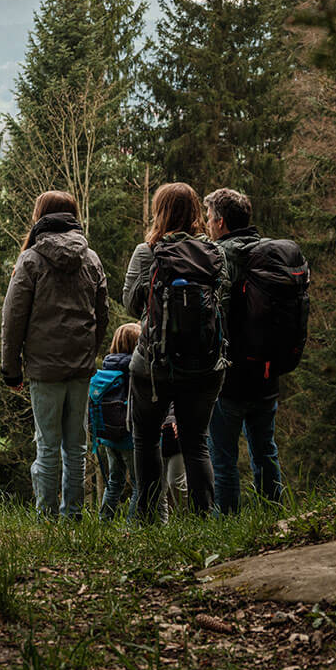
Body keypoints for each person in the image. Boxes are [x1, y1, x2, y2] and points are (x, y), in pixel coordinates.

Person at [2, 189, 112, 519]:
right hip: (80, 367)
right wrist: (89, 352)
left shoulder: (31, 260)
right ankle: (73, 515)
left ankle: (46, 517)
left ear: (40, 216)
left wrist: (11, 369)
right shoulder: (90, 259)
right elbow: (102, 314)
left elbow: (13, 318)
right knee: (76, 448)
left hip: (44, 369)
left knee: (47, 445)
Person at [121, 182, 228, 520]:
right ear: (197, 212)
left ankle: (149, 520)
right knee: (196, 443)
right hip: (204, 364)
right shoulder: (215, 253)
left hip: (154, 363)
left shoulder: (147, 251)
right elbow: (221, 303)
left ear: (159, 211)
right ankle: (203, 520)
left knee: (147, 440)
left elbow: (129, 303)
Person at [204, 187, 307, 515]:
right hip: (267, 373)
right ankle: (274, 519)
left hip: (230, 379)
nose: (206, 224)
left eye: (208, 218)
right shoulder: (269, 255)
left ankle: (227, 530)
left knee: (224, 460)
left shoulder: (221, 256)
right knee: (266, 452)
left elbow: (213, 315)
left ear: (220, 223)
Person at [88, 324, 138, 519]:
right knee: (138, 484)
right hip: (128, 436)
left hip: (108, 435)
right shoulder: (132, 369)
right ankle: (133, 526)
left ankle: (104, 521)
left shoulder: (107, 365)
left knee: (114, 481)